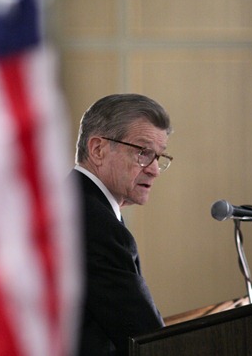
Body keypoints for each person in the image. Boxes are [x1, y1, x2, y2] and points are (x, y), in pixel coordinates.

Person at [71, 94, 173, 356]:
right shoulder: (95, 223)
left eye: (158, 157)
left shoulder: (74, 204)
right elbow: (145, 337)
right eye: (143, 152)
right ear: (98, 150)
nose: (154, 169)